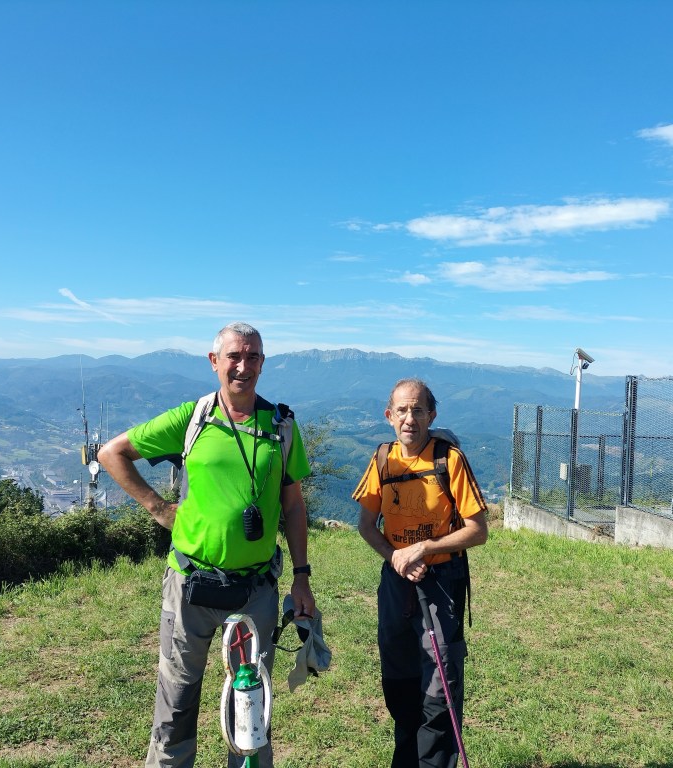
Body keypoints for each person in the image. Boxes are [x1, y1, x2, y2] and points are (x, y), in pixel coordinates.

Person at [98, 321, 316, 768]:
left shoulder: (282, 426)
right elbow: (111, 453)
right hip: (190, 585)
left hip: (254, 589)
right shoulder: (192, 418)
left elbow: (293, 506)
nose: (243, 366)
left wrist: (301, 577)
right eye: (234, 356)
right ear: (214, 361)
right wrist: (158, 508)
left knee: (250, 709)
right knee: (176, 708)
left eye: (252, 357)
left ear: (262, 363)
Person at [353, 378, 488, 768]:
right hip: (396, 583)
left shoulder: (449, 460)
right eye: (402, 410)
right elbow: (366, 525)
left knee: (440, 684)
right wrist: (396, 556)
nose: (409, 418)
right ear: (389, 415)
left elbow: (478, 531)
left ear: (432, 415)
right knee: (398, 677)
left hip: (442, 582)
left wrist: (424, 549)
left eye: (417, 410)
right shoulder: (383, 459)